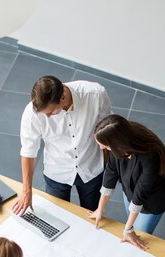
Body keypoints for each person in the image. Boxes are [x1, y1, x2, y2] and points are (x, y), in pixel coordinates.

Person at [12, 75, 112, 215]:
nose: (47, 117)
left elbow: (106, 129)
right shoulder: (32, 113)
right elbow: (29, 151)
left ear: (62, 98)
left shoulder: (95, 94)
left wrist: (106, 164)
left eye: (50, 112)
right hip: (56, 171)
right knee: (58, 215)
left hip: (92, 168)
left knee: (92, 215)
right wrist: (26, 191)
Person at [88, 114, 165, 250]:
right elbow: (110, 174)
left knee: (140, 232)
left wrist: (128, 230)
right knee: (132, 223)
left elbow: (140, 195)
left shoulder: (150, 157)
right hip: (132, 191)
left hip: (152, 200)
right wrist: (99, 209)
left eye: (105, 146)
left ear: (117, 143)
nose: (102, 149)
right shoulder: (118, 144)